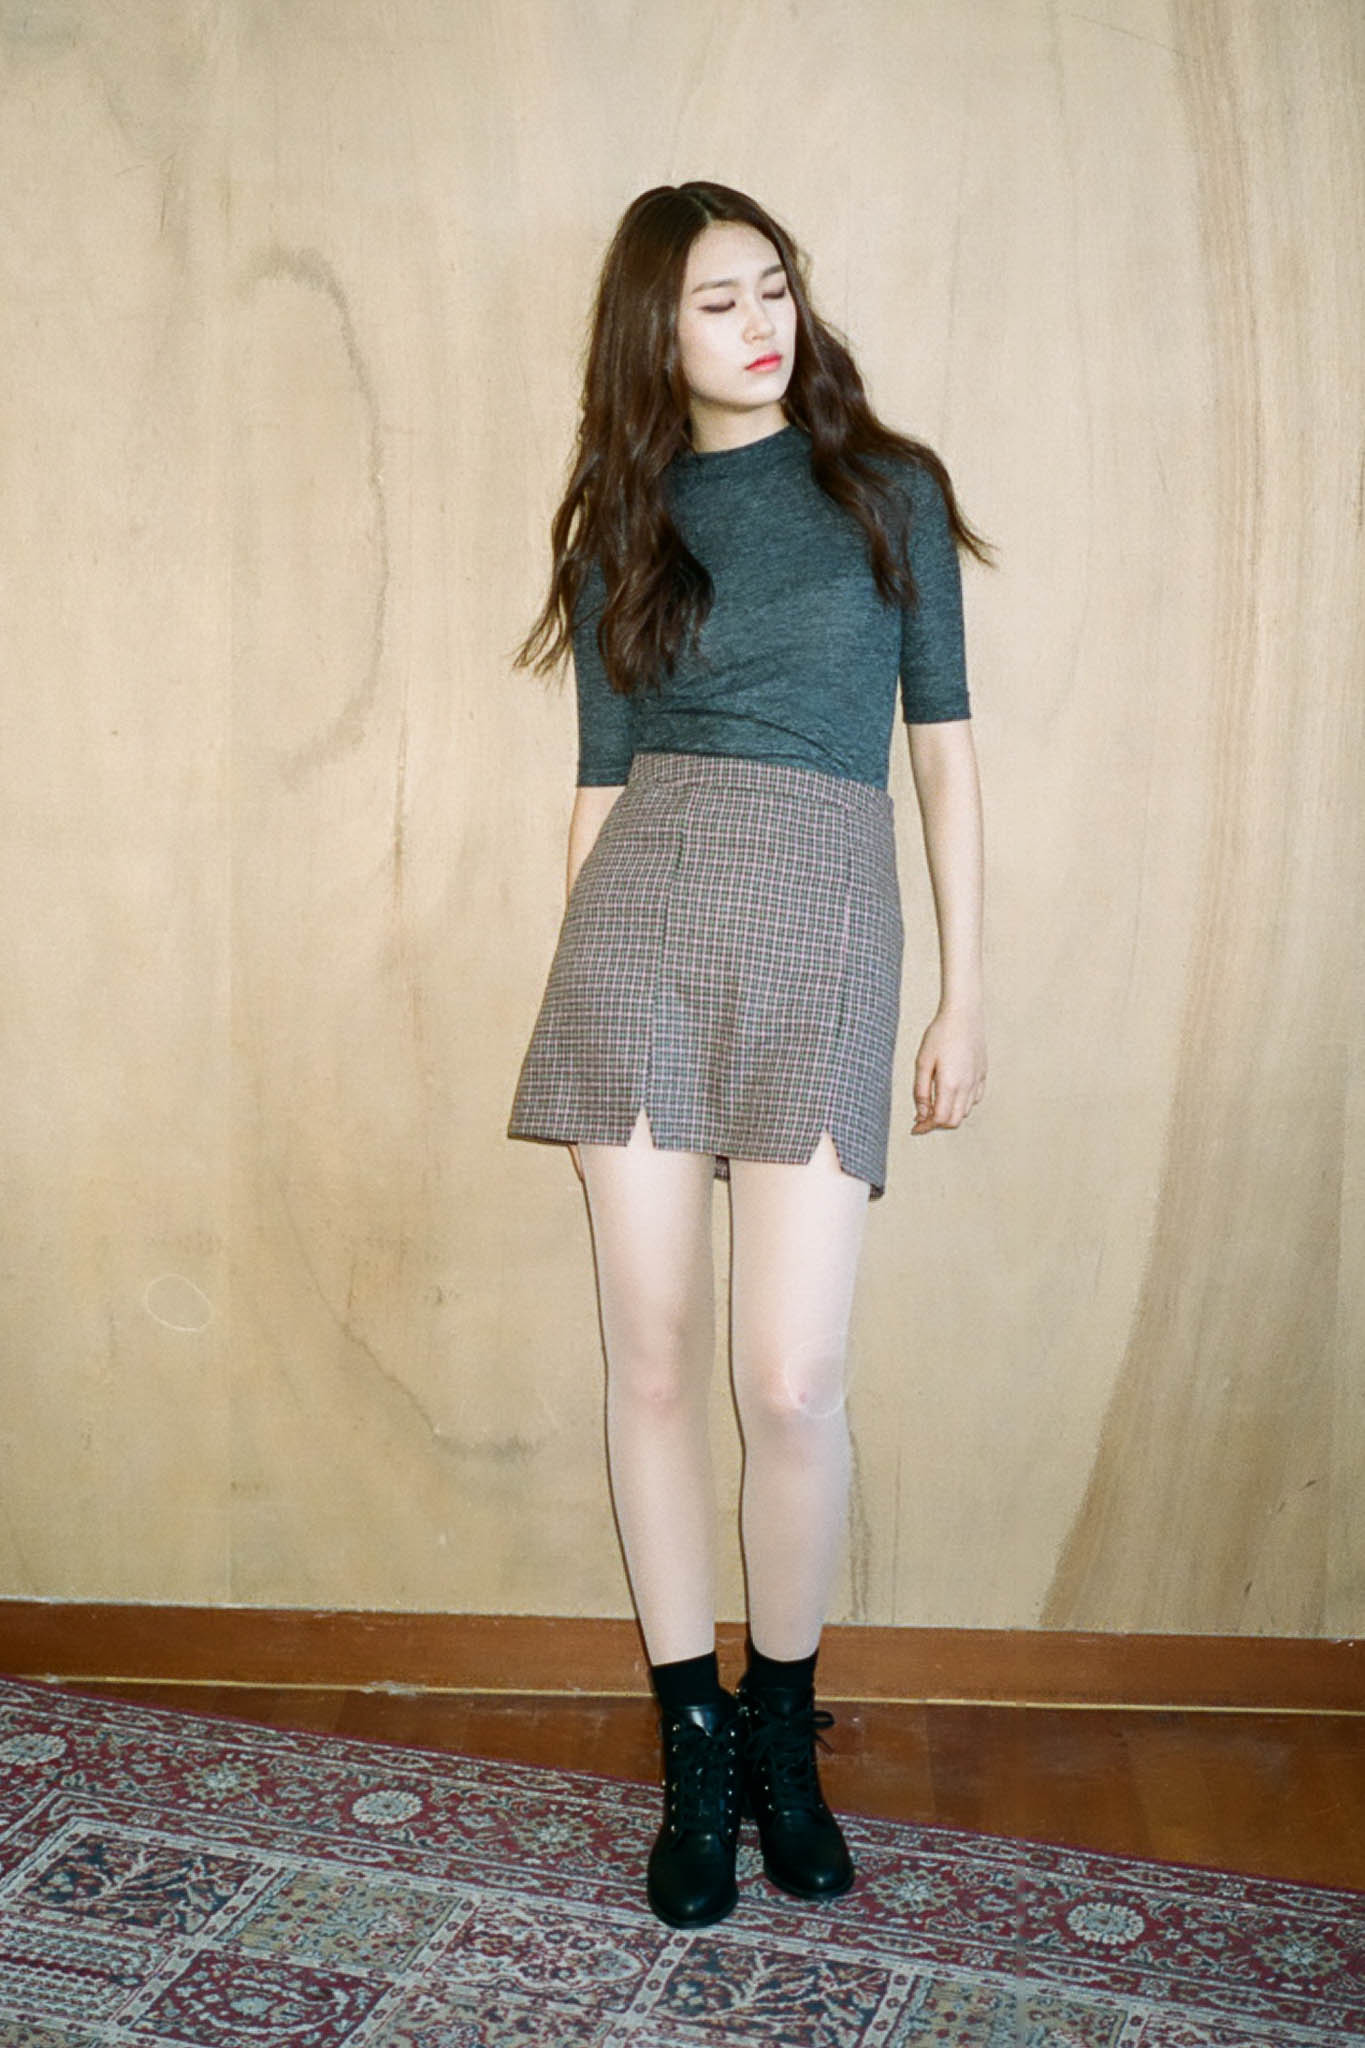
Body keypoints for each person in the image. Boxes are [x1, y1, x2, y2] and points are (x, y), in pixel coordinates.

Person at [508, 180, 988, 1928]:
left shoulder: (886, 490)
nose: (757, 323)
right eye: (715, 302)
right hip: (639, 938)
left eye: (769, 287)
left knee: (789, 1380)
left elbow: (941, 754)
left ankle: (786, 1729)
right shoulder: (619, 518)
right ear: (653, 332)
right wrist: (573, 989)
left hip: (823, 930)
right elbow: (599, 784)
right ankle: (694, 1753)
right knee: (649, 1363)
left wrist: (964, 994)